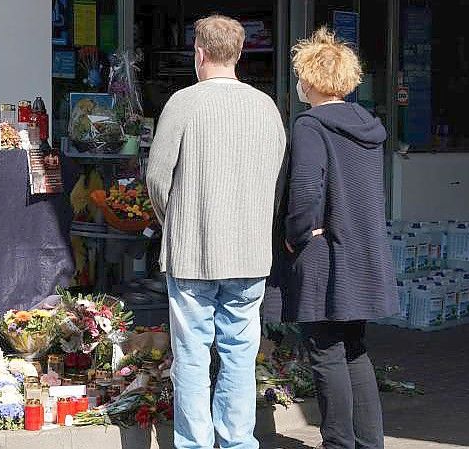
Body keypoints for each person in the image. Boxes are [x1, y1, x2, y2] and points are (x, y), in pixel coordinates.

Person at [146, 15, 286, 449]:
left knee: (190, 356)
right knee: (240, 356)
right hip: (248, 251)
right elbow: (277, 181)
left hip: (193, 253)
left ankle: (195, 444)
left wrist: (177, 220)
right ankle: (238, 440)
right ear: (240, 54)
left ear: (199, 53)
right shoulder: (267, 107)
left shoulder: (182, 103)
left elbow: (156, 178)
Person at [284, 28, 398, 449]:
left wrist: (296, 236)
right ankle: (371, 442)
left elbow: (306, 190)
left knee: (325, 348)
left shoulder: (311, 126)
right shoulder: (368, 126)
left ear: (310, 81)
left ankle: (337, 442)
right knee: (355, 348)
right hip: (362, 251)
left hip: (325, 255)